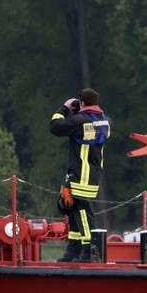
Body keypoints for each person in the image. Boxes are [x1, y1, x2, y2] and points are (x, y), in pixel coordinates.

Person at [50, 88, 112, 262]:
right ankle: (73, 252)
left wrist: (65, 108)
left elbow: (55, 127)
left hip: (80, 175)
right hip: (91, 174)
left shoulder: (79, 122)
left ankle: (89, 252)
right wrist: (80, 111)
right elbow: (87, 127)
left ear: (83, 103)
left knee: (83, 212)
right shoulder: (104, 121)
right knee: (74, 212)